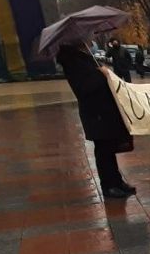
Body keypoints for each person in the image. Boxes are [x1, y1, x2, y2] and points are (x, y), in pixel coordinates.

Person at [57, 41, 136, 199]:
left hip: (103, 110)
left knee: (109, 148)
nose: (88, 40)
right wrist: (103, 75)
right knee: (103, 150)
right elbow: (84, 87)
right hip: (96, 112)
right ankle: (109, 186)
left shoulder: (83, 57)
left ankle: (117, 181)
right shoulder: (73, 61)